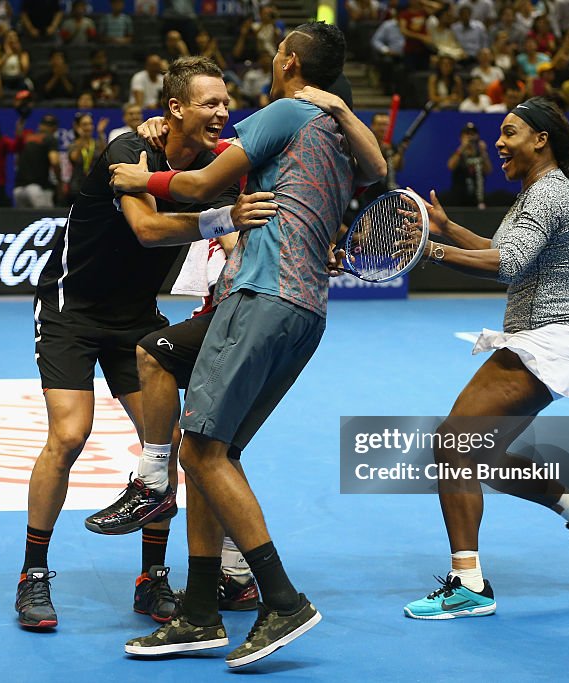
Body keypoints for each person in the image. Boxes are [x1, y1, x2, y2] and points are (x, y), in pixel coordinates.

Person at [108, 22, 386, 667]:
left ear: (288, 62)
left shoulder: (284, 111)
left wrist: (136, 180)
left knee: (200, 450)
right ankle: (201, 613)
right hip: (306, 312)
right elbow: (380, 168)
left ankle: (283, 599)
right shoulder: (339, 136)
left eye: (276, 51)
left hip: (262, 295)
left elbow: (202, 186)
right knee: (215, 450)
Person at [14, 55, 276, 632]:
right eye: (211, 103)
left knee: (168, 438)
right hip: (72, 310)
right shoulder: (127, 151)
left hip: (136, 316)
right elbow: (147, 229)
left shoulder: (209, 167)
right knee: (69, 434)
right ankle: (33, 574)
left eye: (226, 102)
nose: (224, 112)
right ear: (175, 109)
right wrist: (219, 220)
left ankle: (151, 577)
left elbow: (257, 198)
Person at [399, 97, 569, 619]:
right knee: (473, 452)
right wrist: (449, 231)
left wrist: (430, 252)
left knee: (453, 444)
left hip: (546, 340)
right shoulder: (537, 192)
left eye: (509, 133)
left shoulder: (548, 194)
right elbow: (501, 248)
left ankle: (469, 584)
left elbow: (507, 263)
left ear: (540, 139)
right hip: (541, 338)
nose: (499, 143)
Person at [13, 113, 62, 207]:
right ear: (55, 128)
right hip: (37, 189)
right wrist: (60, 182)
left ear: (40, 126)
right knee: (44, 220)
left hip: (18, 189)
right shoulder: (50, 139)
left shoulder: (27, 138)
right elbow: (54, 161)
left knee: (22, 221)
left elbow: (17, 160)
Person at [445, 122, 491, 207]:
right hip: (459, 199)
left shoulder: (480, 153)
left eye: (472, 134)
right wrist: (462, 148)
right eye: (467, 134)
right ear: (461, 137)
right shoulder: (459, 153)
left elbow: (488, 170)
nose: (470, 137)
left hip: (477, 198)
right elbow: (450, 166)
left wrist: (484, 152)